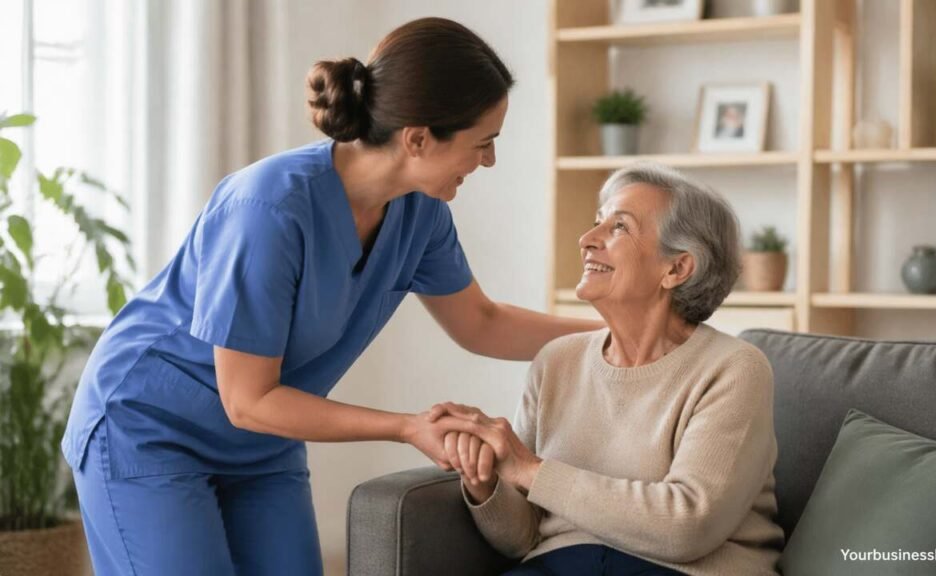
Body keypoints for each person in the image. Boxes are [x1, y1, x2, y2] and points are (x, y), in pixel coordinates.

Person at [62, 17, 600, 576]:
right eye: (481, 144)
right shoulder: (266, 210)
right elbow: (245, 398)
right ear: (417, 138)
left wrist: (617, 331)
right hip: (151, 428)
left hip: (261, 444)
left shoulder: (421, 214)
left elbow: (482, 323)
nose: (487, 161)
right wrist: (407, 426)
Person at [432, 163, 786, 576]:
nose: (586, 241)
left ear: (677, 269)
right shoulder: (556, 361)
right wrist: (486, 479)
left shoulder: (733, 368)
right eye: (596, 223)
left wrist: (530, 469)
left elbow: (687, 527)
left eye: (619, 227)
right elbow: (524, 538)